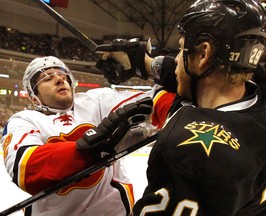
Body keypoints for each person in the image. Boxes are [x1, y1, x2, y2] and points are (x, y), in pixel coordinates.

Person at [100, 0, 266, 215]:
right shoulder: (264, 93)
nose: (177, 58)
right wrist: (145, 63)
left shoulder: (195, 155)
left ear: (203, 54)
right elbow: (194, 75)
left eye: (180, 49)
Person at [1, 56, 156, 216]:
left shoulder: (97, 101)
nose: (60, 80)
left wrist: (148, 65)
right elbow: (25, 168)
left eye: (63, 76)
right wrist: (97, 149)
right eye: (47, 78)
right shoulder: (24, 120)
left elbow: (158, 100)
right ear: (34, 96)